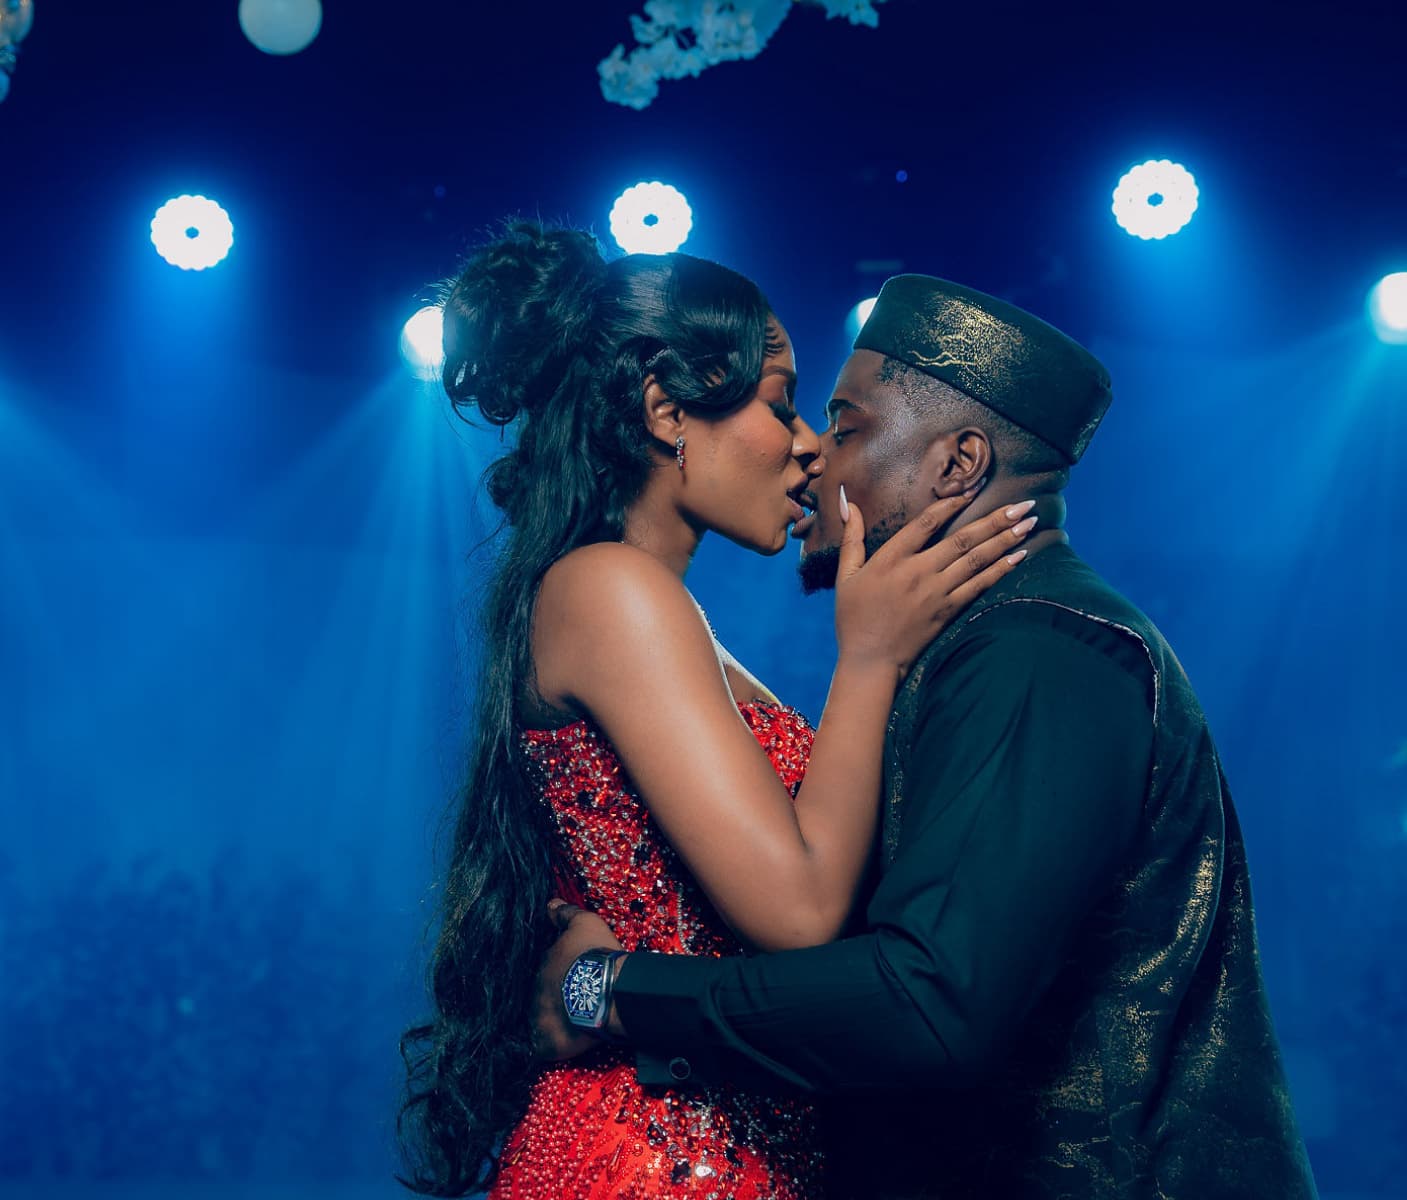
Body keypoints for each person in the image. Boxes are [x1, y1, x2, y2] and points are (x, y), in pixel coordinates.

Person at [535, 274, 1321, 1200]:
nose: (813, 454)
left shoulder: (1037, 652)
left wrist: (610, 990)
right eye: (794, 412)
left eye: (844, 426)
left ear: (955, 465)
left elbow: (926, 1000)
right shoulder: (966, 648)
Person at [395, 226, 1040, 1199]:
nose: (809, 446)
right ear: (666, 411)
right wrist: (869, 656)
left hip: (717, 1152)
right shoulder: (609, 589)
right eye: (780, 405)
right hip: (651, 1160)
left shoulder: (658, 613)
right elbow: (799, 910)